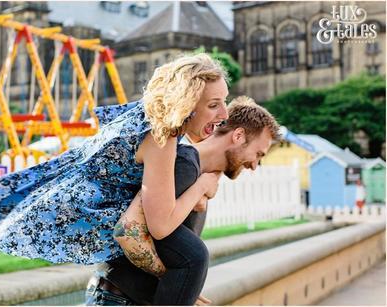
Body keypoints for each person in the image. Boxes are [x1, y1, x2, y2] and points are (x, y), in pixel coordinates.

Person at [0, 53, 228, 266]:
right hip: (85, 210)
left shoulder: (148, 113)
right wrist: (202, 187)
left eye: (224, 102)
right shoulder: (161, 136)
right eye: (214, 104)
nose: (225, 113)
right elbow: (160, 225)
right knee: (192, 256)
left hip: (70, 201)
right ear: (187, 104)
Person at [86, 96, 281, 305]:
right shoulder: (184, 164)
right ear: (239, 136)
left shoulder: (198, 170)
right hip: (119, 299)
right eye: (258, 154)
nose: (255, 165)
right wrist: (179, 279)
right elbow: (128, 232)